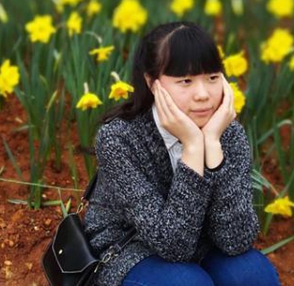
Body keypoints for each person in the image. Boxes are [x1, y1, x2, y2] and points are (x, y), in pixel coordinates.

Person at [84, 21, 280, 286]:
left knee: (255, 275)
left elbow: (236, 241)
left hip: (202, 242)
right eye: (185, 81)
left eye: (212, 78)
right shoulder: (119, 138)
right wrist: (193, 146)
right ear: (152, 83)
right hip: (129, 248)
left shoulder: (227, 134)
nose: (203, 95)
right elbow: (173, 245)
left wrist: (211, 144)